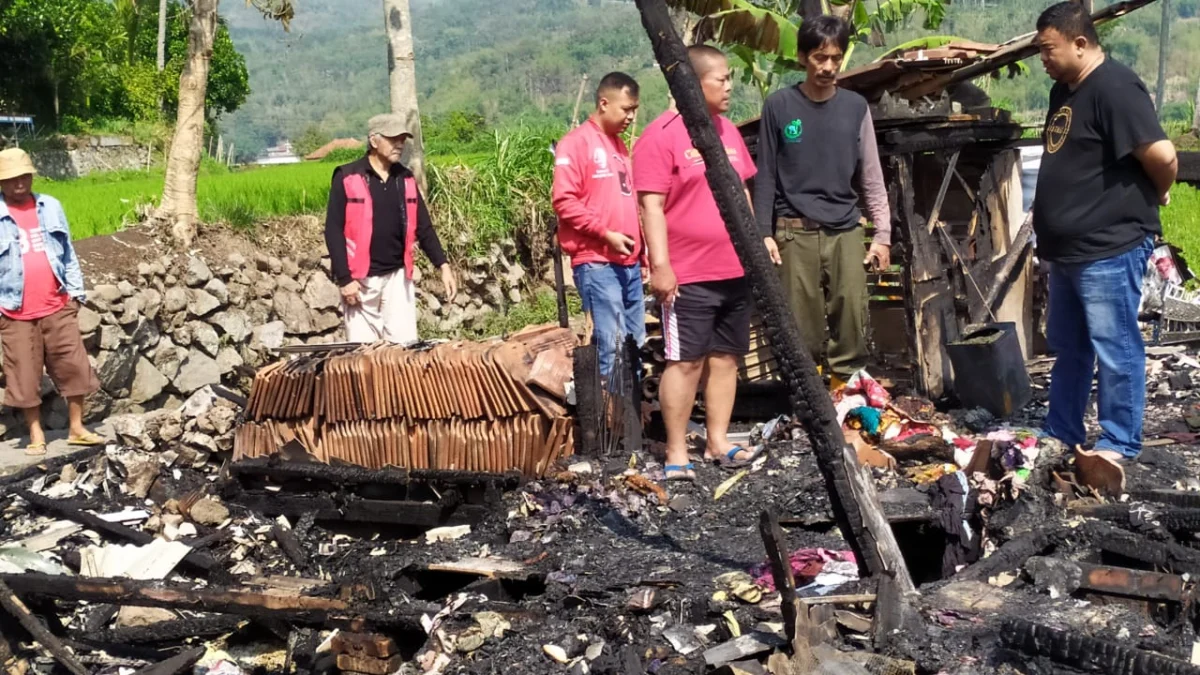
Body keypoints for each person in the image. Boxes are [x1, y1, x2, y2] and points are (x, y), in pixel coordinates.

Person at [1033, 2, 1177, 461]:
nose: (1043, 59)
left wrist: (1160, 192)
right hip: (1068, 252)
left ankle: (1119, 442)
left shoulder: (1115, 87)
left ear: (1080, 43)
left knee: (1115, 348)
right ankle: (1062, 431)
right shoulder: (1065, 91)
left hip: (1109, 248)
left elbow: (1164, 156)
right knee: (1069, 348)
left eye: (1048, 49)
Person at [633, 45, 771, 482]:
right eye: (721, 79)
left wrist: (755, 242)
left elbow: (743, 193)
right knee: (685, 361)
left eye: (730, 78)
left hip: (734, 268)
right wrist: (661, 265)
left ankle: (719, 440)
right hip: (688, 273)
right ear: (692, 84)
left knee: (727, 358)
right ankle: (676, 450)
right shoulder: (660, 136)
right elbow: (650, 207)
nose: (729, 86)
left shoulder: (727, 131)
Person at [753, 15, 890, 385]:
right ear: (801, 57)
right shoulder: (779, 106)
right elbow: (765, 174)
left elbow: (872, 176)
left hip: (845, 229)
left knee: (851, 321)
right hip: (793, 233)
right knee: (802, 328)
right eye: (819, 57)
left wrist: (882, 235)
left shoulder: (855, 107)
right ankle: (808, 407)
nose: (828, 66)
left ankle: (846, 402)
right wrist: (763, 233)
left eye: (835, 57)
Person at [0, 148, 103, 456]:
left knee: (74, 366)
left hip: (56, 304)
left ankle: (76, 428)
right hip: (14, 311)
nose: (20, 183)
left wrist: (75, 293)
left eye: (24, 176)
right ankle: (36, 434)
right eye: (12, 178)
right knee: (24, 374)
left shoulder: (50, 207)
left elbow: (67, 251)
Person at [324, 114, 458, 344]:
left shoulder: (404, 179)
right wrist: (345, 279)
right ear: (374, 141)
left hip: (398, 278)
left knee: (403, 352)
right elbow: (333, 230)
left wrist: (443, 265)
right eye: (393, 138)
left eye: (402, 139)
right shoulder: (348, 176)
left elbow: (423, 227)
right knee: (363, 357)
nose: (399, 144)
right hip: (361, 282)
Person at [552, 72, 645, 380]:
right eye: (626, 108)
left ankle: (634, 419)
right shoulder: (575, 144)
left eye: (634, 109)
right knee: (613, 346)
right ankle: (614, 423)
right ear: (604, 103)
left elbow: (629, 202)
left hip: (629, 264)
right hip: (597, 263)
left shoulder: (620, 147)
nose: (631, 116)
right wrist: (605, 234)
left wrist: (642, 253)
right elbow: (564, 202)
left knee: (635, 346)